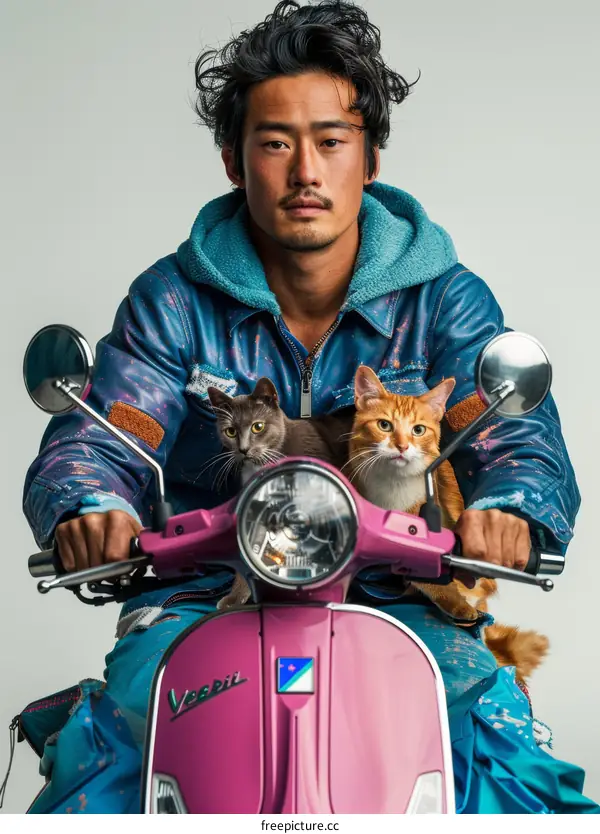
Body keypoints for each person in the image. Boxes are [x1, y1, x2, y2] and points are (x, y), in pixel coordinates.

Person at [20, 0, 598, 814]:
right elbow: (114, 424)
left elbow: (509, 428)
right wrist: (91, 501)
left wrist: (510, 506)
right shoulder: (173, 302)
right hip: (202, 595)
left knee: (507, 759)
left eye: (331, 141)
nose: (305, 172)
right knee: (108, 754)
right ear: (233, 160)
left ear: (368, 158)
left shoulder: (442, 302)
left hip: (403, 594)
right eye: (275, 142)